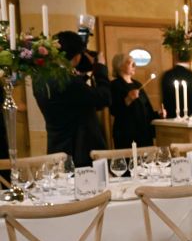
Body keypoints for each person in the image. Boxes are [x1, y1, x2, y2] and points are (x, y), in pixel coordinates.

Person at [34, 31, 111, 166]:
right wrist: (101, 69)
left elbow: (77, 102)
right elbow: (104, 98)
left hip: (57, 148)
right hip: (79, 152)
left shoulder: (40, 80)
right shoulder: (67, 81)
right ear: (76, 56)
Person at [109, 53, 160, 148]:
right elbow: (114, 110)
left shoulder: (137, 84)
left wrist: (158, 114)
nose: (134, 65)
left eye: (134, 63)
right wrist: (128, 99)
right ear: (120, 66)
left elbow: (147, 110)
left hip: (144, 133)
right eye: (130, 63)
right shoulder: (114, 85)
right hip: (126, 135)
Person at [160, 50, 192, 118]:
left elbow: (165, 96)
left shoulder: (167, 74)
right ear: (190, 59)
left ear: (176, 58)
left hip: (171, 112)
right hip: (189, 113)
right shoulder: (190, 75)